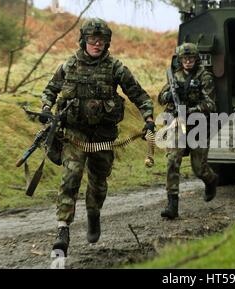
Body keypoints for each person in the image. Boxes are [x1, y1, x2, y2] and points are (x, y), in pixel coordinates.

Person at [40, 18, 155, 255]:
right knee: (71, 177)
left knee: (98, 181)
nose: (97, 44)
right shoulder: (68, 65)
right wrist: (45, 109)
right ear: (84, 40)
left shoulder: (115, 68)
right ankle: (63, 228)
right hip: (74, 133)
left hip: (103, 135)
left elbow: (139, 94)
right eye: (92, 39)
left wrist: (149, 119)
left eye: (101, 40)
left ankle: (93, 213)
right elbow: (50, 90)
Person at [157, 42, 219, 219]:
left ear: (196, 59)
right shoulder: (174, 76)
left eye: (191, 58)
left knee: (199, 169)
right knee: (172, 159)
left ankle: (211, 180)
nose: (188, 62)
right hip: (178, 124)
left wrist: (191, 111)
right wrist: (168, 96)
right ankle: (172, 204)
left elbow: (211, 104)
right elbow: (161, 97)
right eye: (185, 58)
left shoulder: (204, 77)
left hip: (198, 125)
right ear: (180, 60)